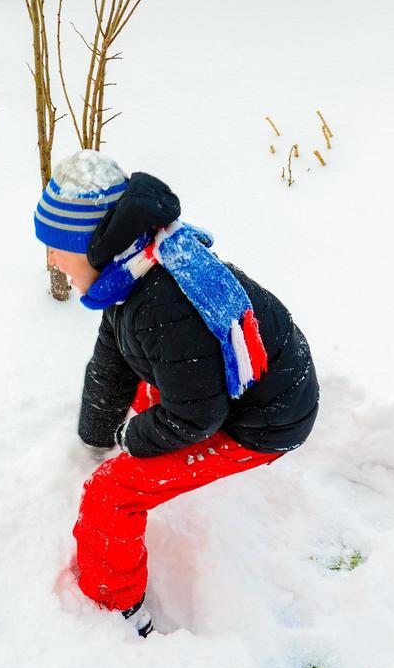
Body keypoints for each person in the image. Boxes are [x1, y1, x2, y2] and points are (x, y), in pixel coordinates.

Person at [34, 150, 319, 637]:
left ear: (93, 244)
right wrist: (95, 436)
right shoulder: (136, 266)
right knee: (152, 394)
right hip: (220, 389)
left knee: (111, 493)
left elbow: (194, 417)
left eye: (60, 247)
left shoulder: (164, 303)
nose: (53, 261)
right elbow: (114, 356)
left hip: (262, 419)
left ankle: (113, 608)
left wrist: (128, 439)